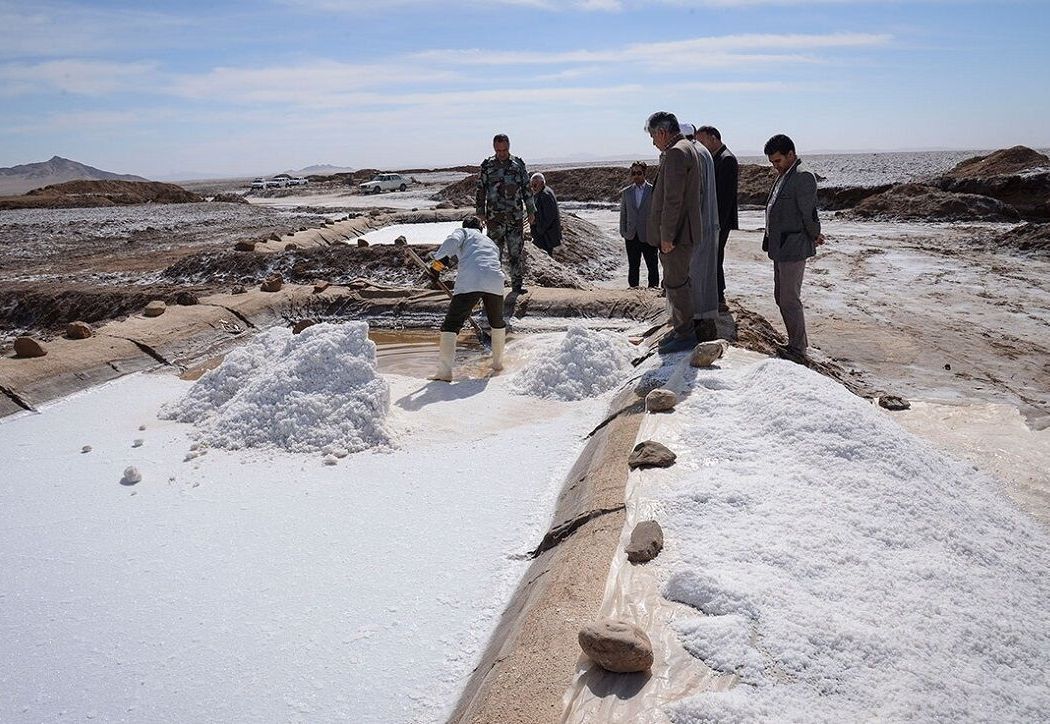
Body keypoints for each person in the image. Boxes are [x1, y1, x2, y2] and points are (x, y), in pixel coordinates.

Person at [762, 133, 826, 362]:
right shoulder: (785, 175)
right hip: (780, 246)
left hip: (794, 245)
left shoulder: (803, 176)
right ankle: (795, 341)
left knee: (789, 298)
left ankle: (798, 348)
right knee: (781, 296)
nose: (775, 166)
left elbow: (809, 213)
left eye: (778, 161)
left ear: (791, 154)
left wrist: (815, 234)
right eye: (772, 162)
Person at [645, 111, 703, 354]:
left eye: (652, 136)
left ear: (662, 132)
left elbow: (673, 200)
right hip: (682, 232)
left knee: (675, 283)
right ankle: (681, 329)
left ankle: (685, 334)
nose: (653, 141)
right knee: (678, 282)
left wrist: (667, 236)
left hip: (678, 236)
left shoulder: (677, 152)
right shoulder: (684, 147)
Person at [428, 216, 508, 381]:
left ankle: (444, 372)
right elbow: (490, 260)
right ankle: (498, 364)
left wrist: (436, 267)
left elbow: (451, 242)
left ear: (465, 226)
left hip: (471, 281)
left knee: (451, 325)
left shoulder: (463, 232)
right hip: (495, 280)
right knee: (497, 323)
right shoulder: (489, 242)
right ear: (481, 229)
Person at [475, 133, 536, 294]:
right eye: (498, 150)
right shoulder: (487, 166)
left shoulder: (517, 164)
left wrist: (531, 210)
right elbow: (480, 190)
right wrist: (480, 213)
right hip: (495, 219)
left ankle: (517, 286)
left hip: (515, 217)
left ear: (509, 147)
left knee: (515, 253)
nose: (501, 153)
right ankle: (493, 288)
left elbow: (526, 188)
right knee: (494, 254)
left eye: (504, 149)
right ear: (494, 148)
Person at [696, 126, 739, 313]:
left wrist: (716, 224)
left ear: (713, 138)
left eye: (702, 140)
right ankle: (714, 294)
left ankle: (719, 296)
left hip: (720, 221)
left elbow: (725, 198)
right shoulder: (714, 158)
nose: (700, 144)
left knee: (715, 257)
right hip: (715, 220)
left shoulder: (727, 159)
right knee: (712, 257)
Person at [685, 121, 721, 342]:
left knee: (695, 276)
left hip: (696, 228)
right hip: (707, 225)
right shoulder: (704, 152)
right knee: (705, 277)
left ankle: (698, 325)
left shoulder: (692, 154)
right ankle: (704, 320)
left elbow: (692, 196)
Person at [618, 161, 658, 288]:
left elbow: (658, 213)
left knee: (652, 265)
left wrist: (658, 233)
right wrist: (623, 232)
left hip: (648, 235)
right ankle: (633, 292)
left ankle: (653, 290)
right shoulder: (626, 192)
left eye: (639, 173)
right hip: (631, 235)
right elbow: (623, 213)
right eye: (633, 173)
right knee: (633, 266)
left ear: (644, 173)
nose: (636, 176)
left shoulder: (653, 190)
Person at [528, 172, 562, 256]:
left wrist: (538, 227)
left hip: (546, 235)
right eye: (531, 185)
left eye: (535, 185)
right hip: (544, 234)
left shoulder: (545, 195)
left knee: (545, 254)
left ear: (542, 183)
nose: (533, 188)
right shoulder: (541, 193)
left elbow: (549, 216)